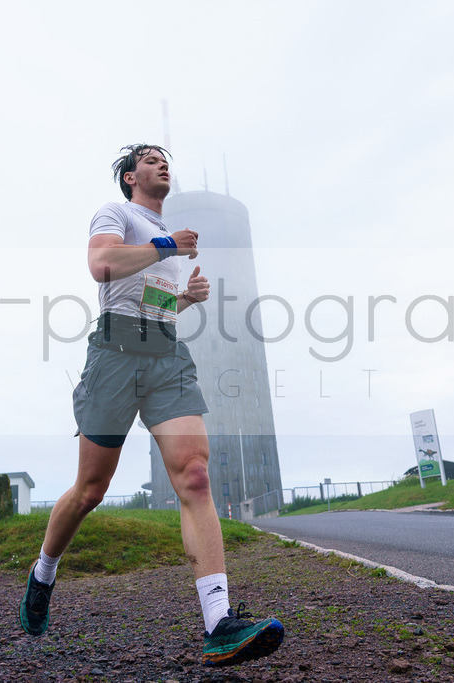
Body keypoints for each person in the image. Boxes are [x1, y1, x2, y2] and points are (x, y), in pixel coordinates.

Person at [19, 144, 284, 667]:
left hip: (165, 356)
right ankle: (43, 572)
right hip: (114, 357)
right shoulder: (115, 214)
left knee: (196, 476)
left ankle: (218, 624)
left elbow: (146, 302)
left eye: (167, 159)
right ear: (129, 176)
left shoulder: (163, 239)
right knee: (91, 490)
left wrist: (184, 300)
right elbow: (104, 267)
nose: (163, 164)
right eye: (150, 159)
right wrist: (166, 246)